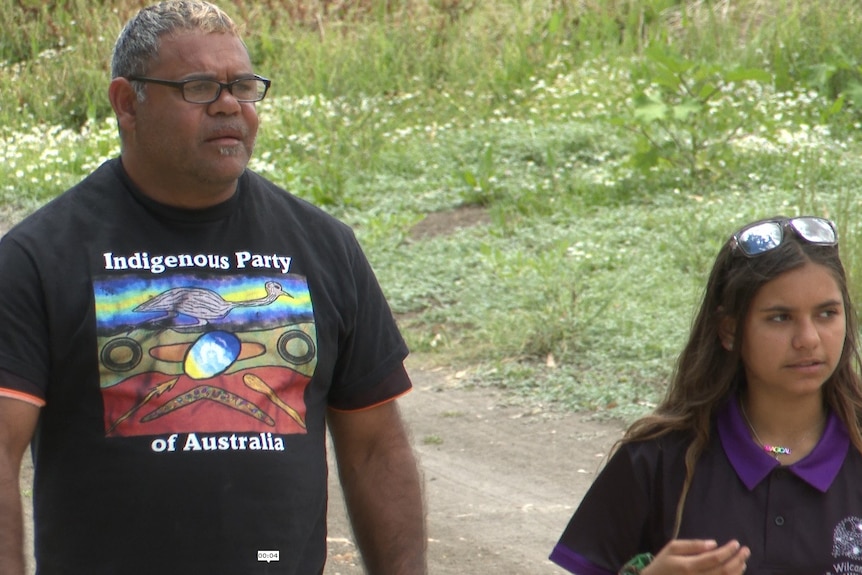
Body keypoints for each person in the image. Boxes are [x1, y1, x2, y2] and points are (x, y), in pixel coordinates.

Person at [0, 2, 426, 574]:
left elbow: (375, 447)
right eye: (199, 87)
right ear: (127, 102)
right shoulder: (38, 257)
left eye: (244, 86)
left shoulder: (323, 246)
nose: (229, 105)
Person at [550, 215, 862, 575]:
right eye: (780, 318)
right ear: (729, 329)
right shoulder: (659, 460)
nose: (808, 338)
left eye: (826, 313)